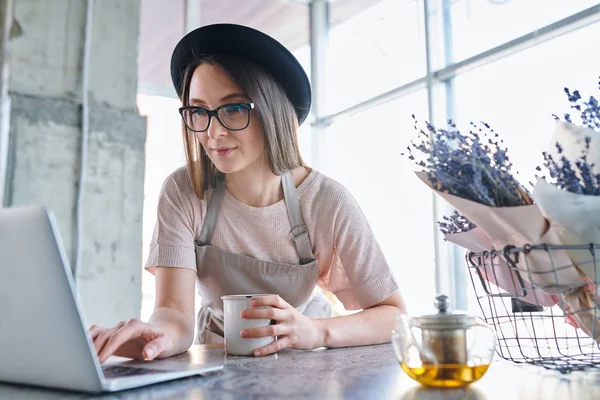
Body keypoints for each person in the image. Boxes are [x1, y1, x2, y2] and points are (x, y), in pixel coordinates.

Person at [90, 23, 405, 363]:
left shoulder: (326, 201)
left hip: (304, 360)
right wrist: (158, 336)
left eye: (233, 108)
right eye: (199, 111)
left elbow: (393, 316)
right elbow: (173, 312)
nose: (213, 132)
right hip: (215, 360)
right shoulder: (185, 191)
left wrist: (316, 331)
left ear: (272, 110)